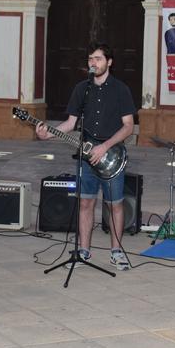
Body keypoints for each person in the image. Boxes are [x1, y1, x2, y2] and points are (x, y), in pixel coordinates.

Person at [36, 42, 136, 271]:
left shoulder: (121, 89)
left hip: (112, 156)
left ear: (109, 62)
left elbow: (128, 126)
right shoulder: (82, 89)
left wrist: (105, 146)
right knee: (85, 203)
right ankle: (83, 250)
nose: (93, 62)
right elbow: (71, 124)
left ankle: (117, 252)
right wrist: (47, 134)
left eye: (98, 58)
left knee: (115, 205)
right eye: (91, 58)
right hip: (86, 158)